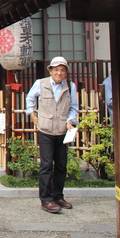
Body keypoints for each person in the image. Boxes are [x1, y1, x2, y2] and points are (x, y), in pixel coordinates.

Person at [26, 56, 79, 214]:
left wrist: (70, 120)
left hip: (62, 131)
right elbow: (30, 99)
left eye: (62, 70)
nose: (59, 73)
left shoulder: (70, 86)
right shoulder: (41, 83)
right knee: (47, 165)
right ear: (50, 71)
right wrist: (33, 115)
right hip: (46, 130)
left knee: (61, 166)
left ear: (66, 72)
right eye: (56, 70)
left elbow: (74, 107)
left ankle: (58, 196)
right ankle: (46, 199)